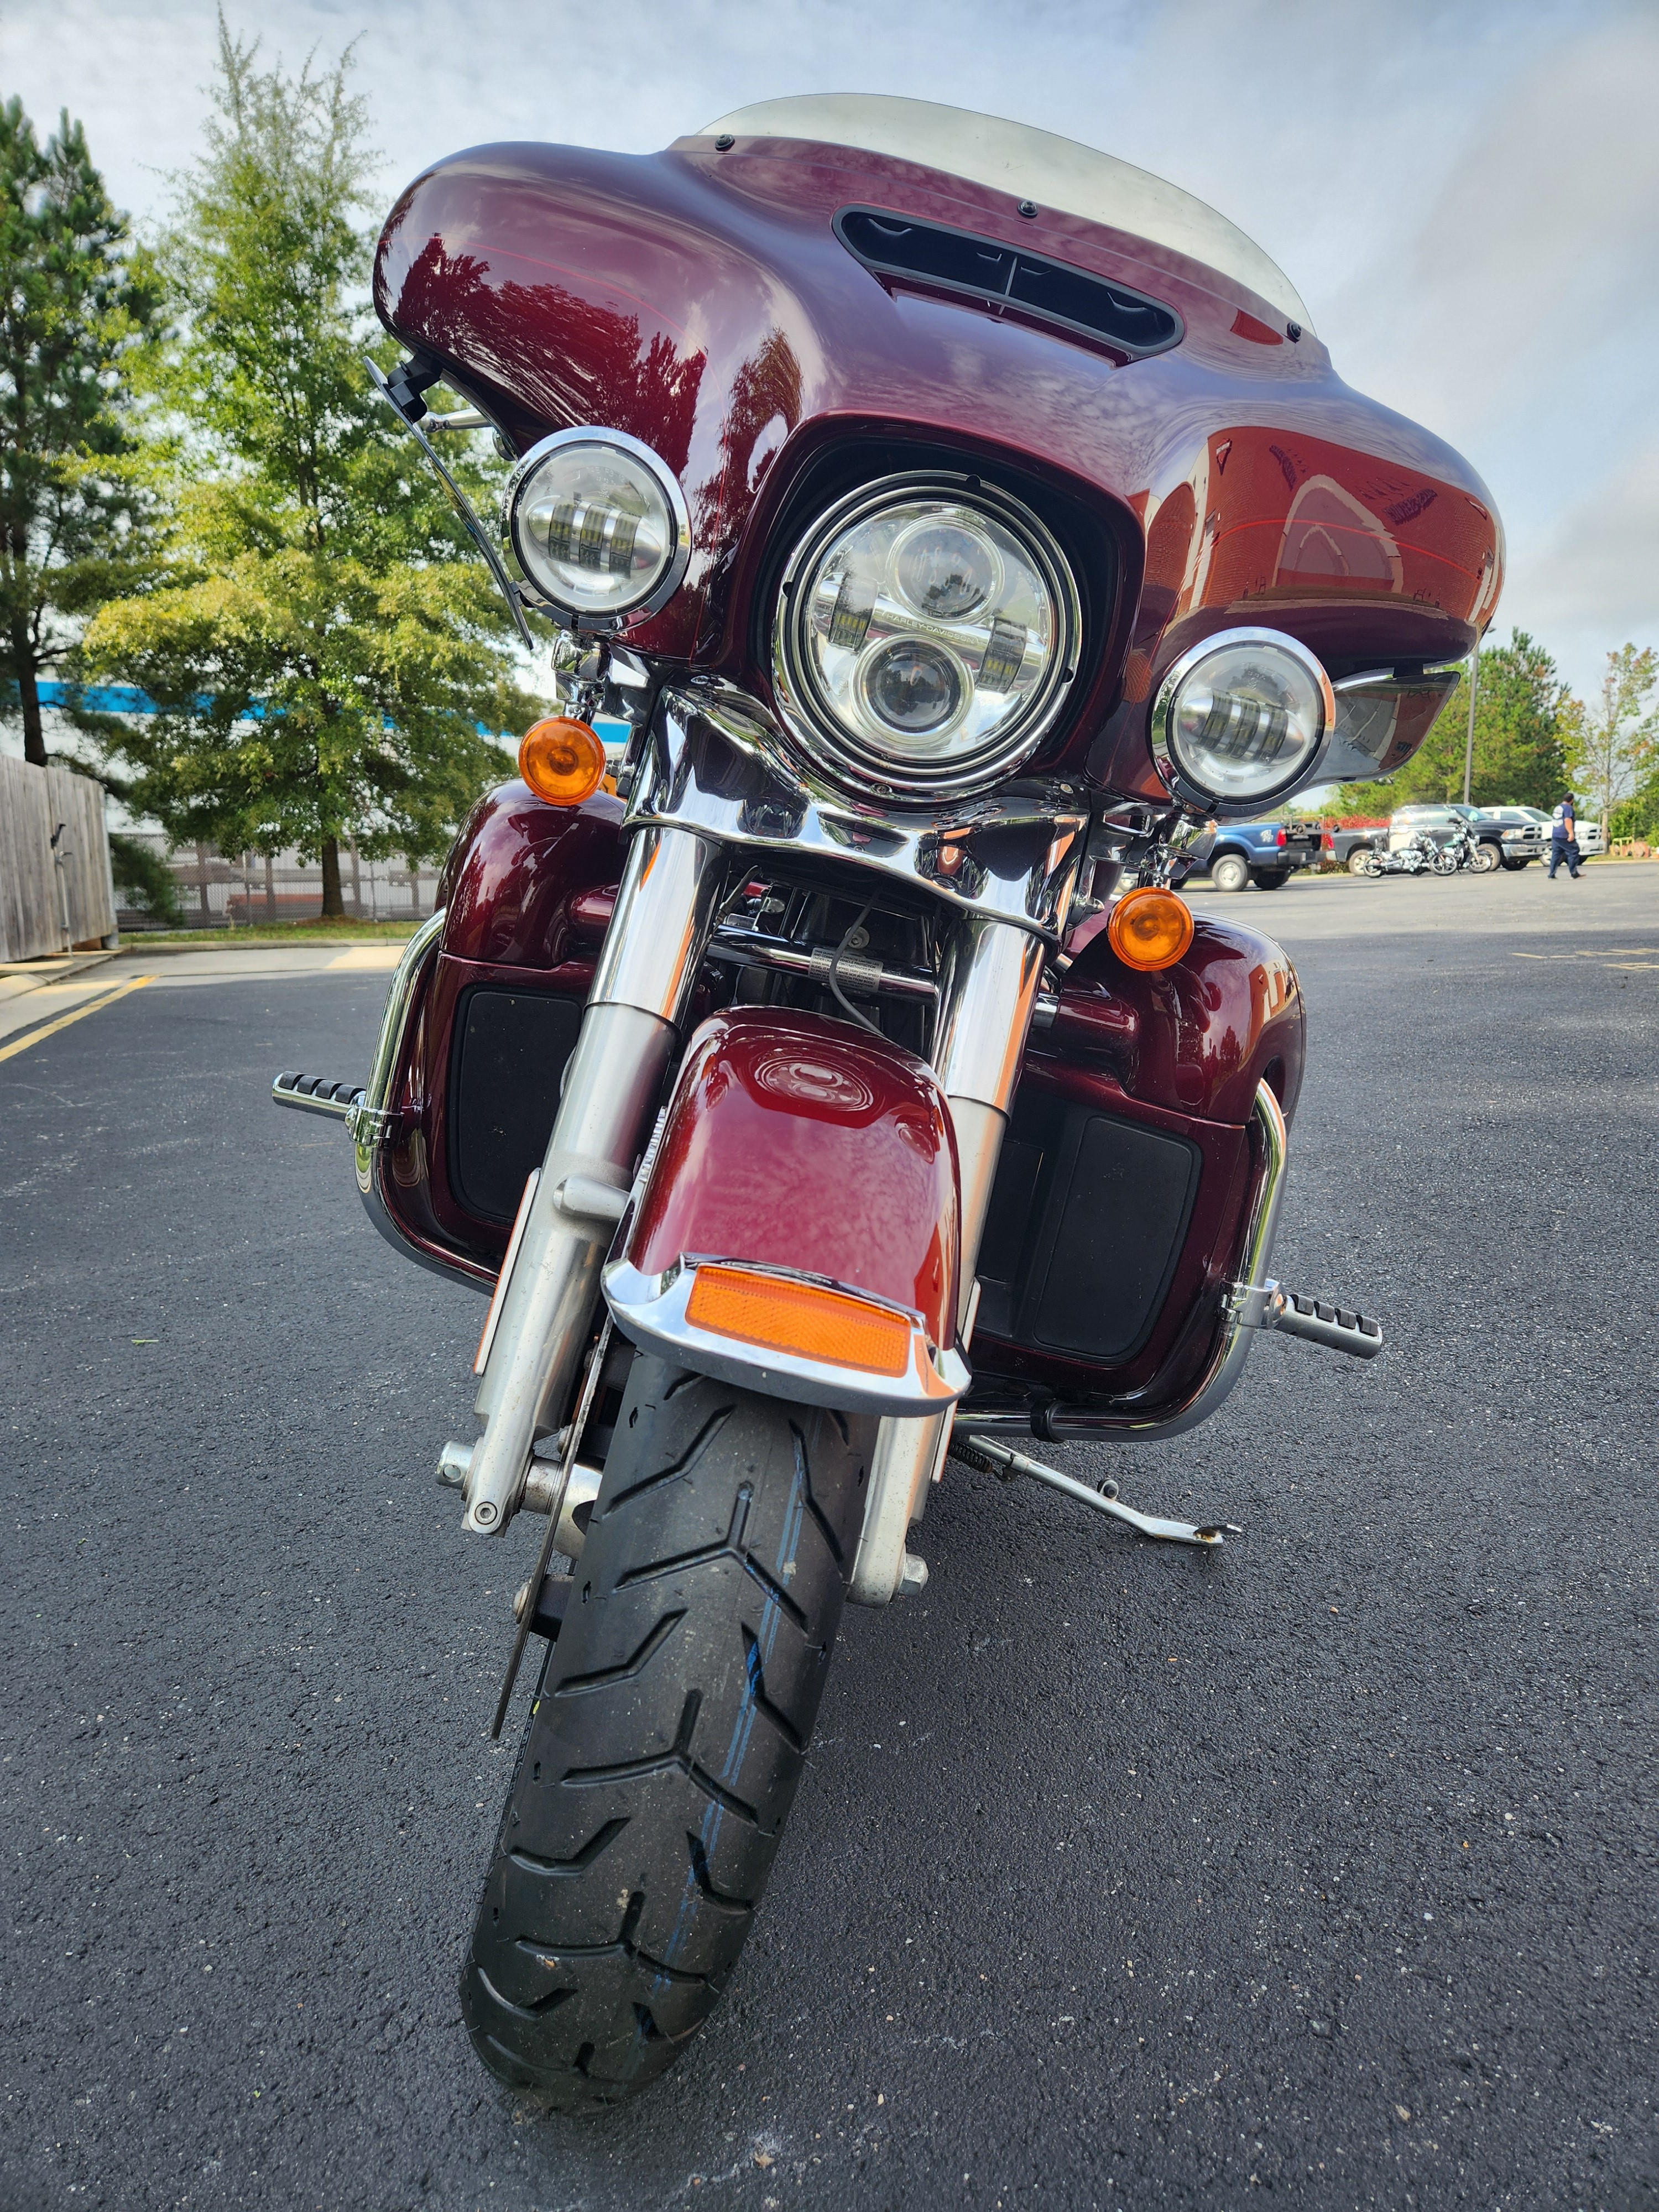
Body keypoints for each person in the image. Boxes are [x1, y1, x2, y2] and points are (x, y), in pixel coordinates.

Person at [1547, 796, 1582, 879]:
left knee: (1556, 854)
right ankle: (1574, 873)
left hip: (1556, 834)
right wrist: (1571, 833)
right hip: (1564, 835)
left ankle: (1551, 874)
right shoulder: (1568, 808)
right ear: (1572, 800)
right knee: (1574, 851)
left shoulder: (1558, 807)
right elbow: (1567, 820)